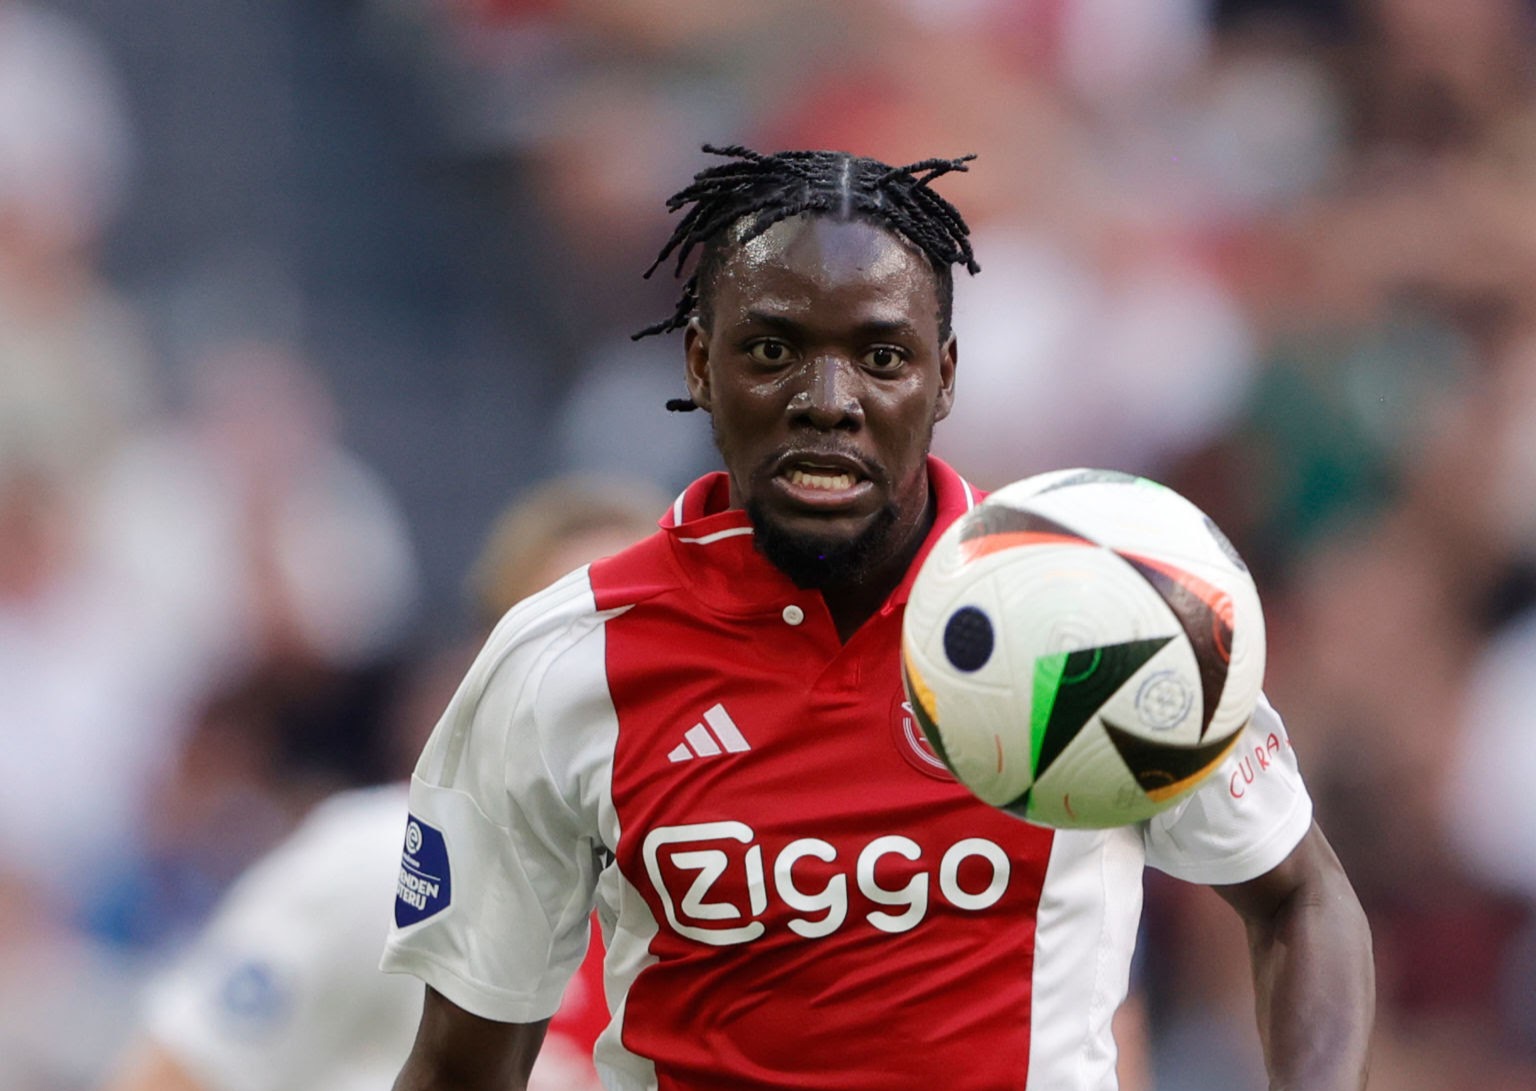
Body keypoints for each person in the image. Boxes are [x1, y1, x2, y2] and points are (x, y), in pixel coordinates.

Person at [383, 145, 1375, 1091]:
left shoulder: (1097, 605)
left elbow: (1299, 895)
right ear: (697, 365)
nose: (828, 400)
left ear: (944, 376)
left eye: (881, 355)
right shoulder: (567, 658)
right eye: (772, 349)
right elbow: (462, 1066)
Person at [96, 475, 666, 1091]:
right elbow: (172, 1075)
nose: (610, 671)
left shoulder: (724, 894)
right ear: (494, 665)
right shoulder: (386, 861)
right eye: (576, 636)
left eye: (650, 633)